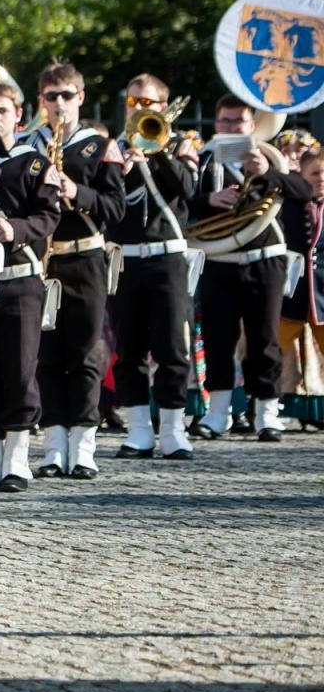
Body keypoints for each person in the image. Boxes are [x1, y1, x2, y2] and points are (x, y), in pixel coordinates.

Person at [188, 95, 313, 442]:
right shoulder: (202, 159)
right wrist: (209, 201)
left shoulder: (268, 155)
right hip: (218, 259)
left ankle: (267, 414)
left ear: (251, 124)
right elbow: (181, 204)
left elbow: (304, 190)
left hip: (265, 259)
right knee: (217, 337)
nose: (232, 128)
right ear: (216, 124)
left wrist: (268, 174)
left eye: (239, 122)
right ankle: (218, 414)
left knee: (265, 338)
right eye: (226, 122)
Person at [25, 63, 126, 480]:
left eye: (66, 95)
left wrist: (75, 191)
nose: (59, 104)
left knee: (85, 352)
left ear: (80, 98)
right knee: (46, 354)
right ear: (41, 101)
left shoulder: (100, 147)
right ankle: (52, 444)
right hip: (43, 260)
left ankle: (83, 446)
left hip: (84, 257)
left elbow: (116, 209)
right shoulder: (29, 144)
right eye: (51, 96)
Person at [110, 73, 199, 460]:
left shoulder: (182, 144)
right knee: (129, 348)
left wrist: (156, 149)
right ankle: (139, 430)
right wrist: (123, 169)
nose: (140, 110)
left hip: (167, 255)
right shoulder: (114, 147)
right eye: (133, 103)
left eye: (147, 103)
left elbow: (189, 191)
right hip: (127, 258)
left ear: (163, 107)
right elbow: (108, 204)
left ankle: (173, 430)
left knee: (171, 346)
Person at [0, 81, 61, 491]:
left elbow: (49, 215)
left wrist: (17, 229)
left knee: (21, 367)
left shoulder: (33, 164)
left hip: (21, 277)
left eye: (2, 110)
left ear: (19, 117)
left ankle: (17, 458)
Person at [279, 147, 324, 430]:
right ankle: (263, 410)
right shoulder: (288, 205)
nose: (321, 178)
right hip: (292, 291)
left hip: (322, 295)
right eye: (315, 173)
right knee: (273, 352)